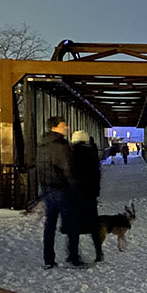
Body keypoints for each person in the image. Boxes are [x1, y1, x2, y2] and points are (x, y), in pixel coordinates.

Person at [37, 115, 84, 268]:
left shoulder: (41, 145)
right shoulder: (61, 146)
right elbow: (68, 170)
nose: (67, 127)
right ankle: (73, 257)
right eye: (64, 125)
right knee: (72, 225)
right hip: (63, 190)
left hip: (47, 189)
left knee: (50, 225)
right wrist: (76, 189)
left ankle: (48, 259)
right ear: (55, 127)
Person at [70, 131, 103, 261]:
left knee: (74, 226)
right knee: (93, 225)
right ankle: (98, 252)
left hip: (75, 194)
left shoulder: (70, 154)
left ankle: (73, 254)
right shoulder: (92, 154)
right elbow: (97, 174)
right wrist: (96, 192)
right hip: (90, 194)